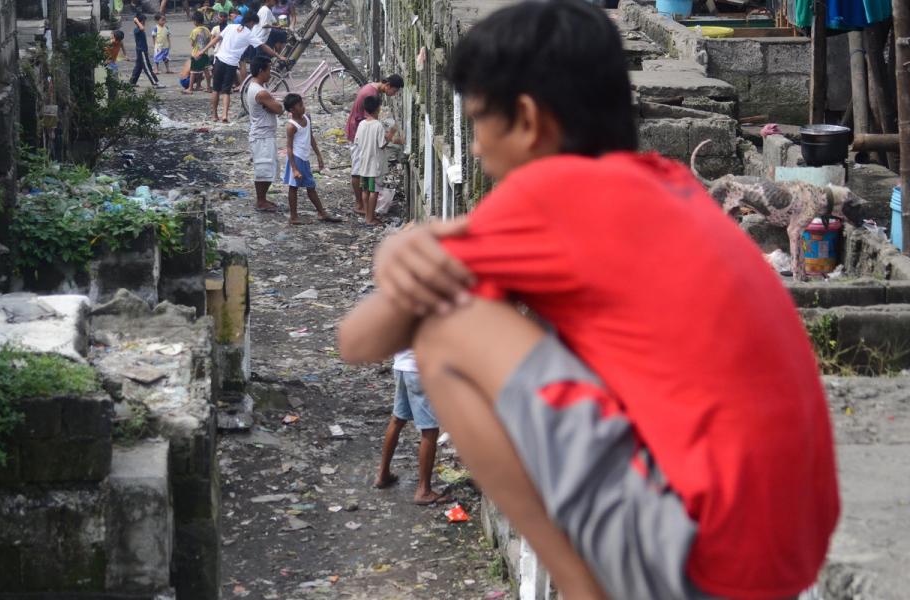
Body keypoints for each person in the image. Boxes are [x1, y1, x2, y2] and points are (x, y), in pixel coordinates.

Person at [336, 1, 839, 599]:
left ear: (525, 120)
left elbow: (360, 340)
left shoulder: (549, 196)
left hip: (706, 557)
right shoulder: (665, 184)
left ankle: (580, 587)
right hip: (788, 551)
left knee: (446, 329)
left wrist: (400, 252)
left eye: (476, 122)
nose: (473, 148)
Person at [374, 350, 449, 505]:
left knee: (397, 420)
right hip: (419, 371)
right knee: (430, 430)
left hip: (401, 367)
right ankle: (424, 491)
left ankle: (382, 474)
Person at [204, 11, 282, 123]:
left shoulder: (230, 27)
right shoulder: (248, 34)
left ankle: (215, 115)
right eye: (254, 24)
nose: (253, 26)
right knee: (226, 91)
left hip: (219, 60)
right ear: (251, 22)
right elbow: (263, 46)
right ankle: (225, 115)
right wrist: (278, 55)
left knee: (216, 89)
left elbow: (216, 39)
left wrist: (203, 50)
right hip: (231, 64)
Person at [346, 74, 403, 214]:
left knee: (361, 171)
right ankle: (360, 205)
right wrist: (391, 136)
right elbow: (373, 127)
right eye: (394, 91)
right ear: (387, 85)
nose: (394, 95)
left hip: (357, 131)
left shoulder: (371, 88)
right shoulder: (370, 93)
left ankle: (363, 206)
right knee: (357, 171)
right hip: (357, 132)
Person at [281, 94, 340, 225]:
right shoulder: (291, 126)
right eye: (300, 105)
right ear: (292, 110)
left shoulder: (307, 118)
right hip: (296, 159)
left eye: (303, 104)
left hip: (305, 159)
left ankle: (321, 212)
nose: (304, 107)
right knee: (294, 187)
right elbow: (289, 148)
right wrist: (294, 168)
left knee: (310, 186)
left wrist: (318, 155)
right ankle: (294, 216)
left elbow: (310, 137)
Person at [352, 95, 399, 225]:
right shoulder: (378, 125)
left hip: (363, 163)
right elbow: (382, 144)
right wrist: (391, 133)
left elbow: (357, 141)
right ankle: (370, 218)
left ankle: (367, 215)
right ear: (377, 109)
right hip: (374, 165)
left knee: (365, 190)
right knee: (374, 192)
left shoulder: (362, 124)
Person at [244, 57, 284, 212]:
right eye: (268, 69)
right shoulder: (260, 92)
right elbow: (279, 109)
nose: (270, 73)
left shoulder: (257, 87)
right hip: (262, 135)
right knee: (264, 168)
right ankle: (261, 200)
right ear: (261, 71)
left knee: (269, 167)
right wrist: (274, 105)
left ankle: (263, 199)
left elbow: (274, 107)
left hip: (264, 133)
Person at [129, 13, 164, 88]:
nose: (144, 23)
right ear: (140, 22)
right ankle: (155, 83)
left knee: (138, 67)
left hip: (142, 51)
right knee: (148, 67)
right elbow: (142, 28)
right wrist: (137, 21)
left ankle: (132, 82)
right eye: (143, 21)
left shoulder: (140, 29)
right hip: (141, 51)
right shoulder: (137, 29)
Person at [185, 12, 213, 93]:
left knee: (193, 71)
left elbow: (192, 43)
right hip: (205, 53)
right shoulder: (207, 29)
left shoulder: (194, 31)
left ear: (195, 21)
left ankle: (190, 88)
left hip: (196, 53)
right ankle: (208, 87)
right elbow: (209, 40)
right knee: (206, 70)